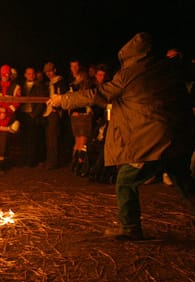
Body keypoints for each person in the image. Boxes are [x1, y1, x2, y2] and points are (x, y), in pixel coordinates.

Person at [48, 32, 195, 241]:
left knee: (126, 180)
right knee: (184, 181)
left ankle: (130, 227)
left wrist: (63, 100)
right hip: (178, 137)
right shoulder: (168, 68)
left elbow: (97, 94)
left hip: (152, 139)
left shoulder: (130, 74)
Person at [16, 66, 47, 167]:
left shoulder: (40, 86)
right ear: (25, 75)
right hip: (23, 114)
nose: (31, 75)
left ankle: (31, 161)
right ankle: (24, 159)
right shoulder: (21, 85)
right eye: (28, 73)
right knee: (23, 138)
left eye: (32, 73)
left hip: (33, 115)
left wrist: (34, 114)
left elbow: (42, 103)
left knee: (32, 139)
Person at [42, 61, 69, 170]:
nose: (48, 73)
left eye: (50, 71)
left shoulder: (60, 81)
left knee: (53, 138)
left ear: (54, 70)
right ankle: (50, 160)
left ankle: (53, 162)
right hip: (48, 112)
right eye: (46, 72)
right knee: (49, 137)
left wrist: (56, 108)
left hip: (55, 112)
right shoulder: (49, 83)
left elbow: (62, 96)